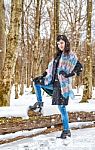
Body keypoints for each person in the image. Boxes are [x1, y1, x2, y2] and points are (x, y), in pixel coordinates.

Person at [29, 35, 83, 139]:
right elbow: (51, 68)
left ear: (66, 43)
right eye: (58, 43)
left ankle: (66, 131)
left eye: (62, 43)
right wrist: (44, 75)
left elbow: (79, 68)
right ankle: (39, 104)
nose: (60, 45)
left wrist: (68, 74)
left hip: (62, 86)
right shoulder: (57, 56)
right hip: (52, 83)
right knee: (37, 82)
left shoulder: (71, 56)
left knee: (62, 108)